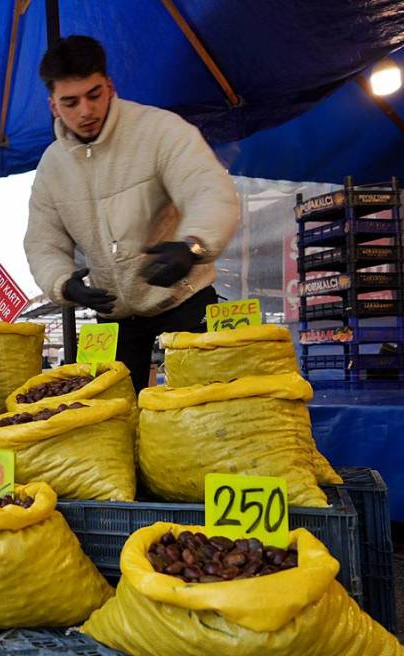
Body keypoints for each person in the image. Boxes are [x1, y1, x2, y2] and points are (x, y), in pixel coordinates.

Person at [24, 35, 240, 393]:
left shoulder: (161, 130)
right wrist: (64, 283)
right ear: (53, 106)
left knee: (208, 405)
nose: (85, 111)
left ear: (109, 86)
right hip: (115, 314)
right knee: (112, 416)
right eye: (70, 102)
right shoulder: (51, 167)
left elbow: (209, 190)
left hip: (184, 298)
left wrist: (193, 246)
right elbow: (42, 242)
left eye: (94, 95)